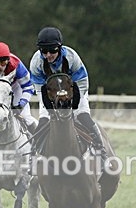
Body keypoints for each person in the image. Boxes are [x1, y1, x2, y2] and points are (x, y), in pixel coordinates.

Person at [28, 26, 105, 154]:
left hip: (75, 93)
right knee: (43, 122)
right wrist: (51, 109)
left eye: (52, 51)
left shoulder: (71, 57)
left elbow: (82, 84)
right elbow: (40, 90)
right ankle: (33, 155)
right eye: (44, 51)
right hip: (49, 97)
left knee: (84, 117)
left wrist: (73, 106)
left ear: (59, 47)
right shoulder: (36, 63)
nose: (48, 55)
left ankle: (101, 149)